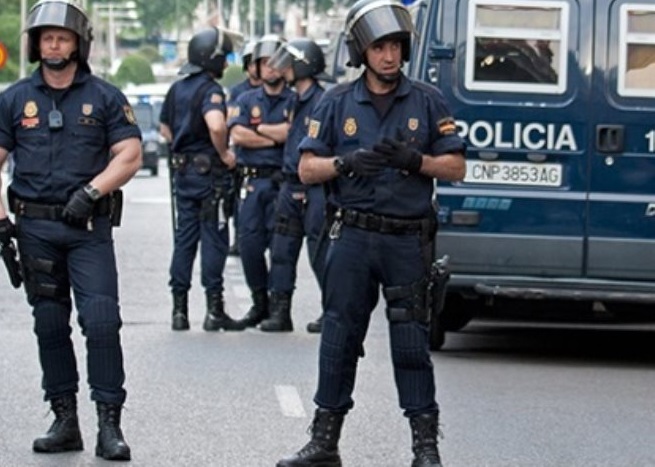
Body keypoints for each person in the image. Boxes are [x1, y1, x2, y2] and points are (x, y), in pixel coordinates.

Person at [275, 0, 466, 466]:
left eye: (396, 46)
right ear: (362, 51)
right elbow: (306, 168)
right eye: (380, 47)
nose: (389, 56)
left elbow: (456, 166)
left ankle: (425, 448)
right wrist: (345, 163)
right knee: (338, 339)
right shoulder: (336, 102)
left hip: (406, 240)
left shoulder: (427, 100)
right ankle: (324, 443)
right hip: (354, 237)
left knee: (411, 345)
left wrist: (416, 161)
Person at [0, 0, 142, 461]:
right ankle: (64, 420)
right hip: (35, 229)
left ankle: (109, 425)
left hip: (87, 228)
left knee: (101, 321)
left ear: (78, 44)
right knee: (49, 323)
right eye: (47, 38)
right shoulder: (14, 99)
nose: (54, 45)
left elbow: (130, 155)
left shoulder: (105, 97)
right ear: (36, 45)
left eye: (62, 38)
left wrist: (93, 191)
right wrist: (1, 222)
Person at [159, 26, 245, 332]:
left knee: (184, 240)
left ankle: (179, 311)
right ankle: (214, 310)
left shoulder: (176, 89)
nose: (226, 64)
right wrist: (223, 153)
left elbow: (165, 129)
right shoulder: (211, 90)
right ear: (212, 58)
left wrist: (182, 148)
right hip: (209, 177)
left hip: (184, 175)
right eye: (224, 58)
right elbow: (217, 125)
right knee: (213, 240)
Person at [259, 38, 333, 333]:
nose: (284, 69)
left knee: (320, 251)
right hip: (289, 184)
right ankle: (280, 312)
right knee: (282, 250)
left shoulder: (323, 101)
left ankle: (332, 311)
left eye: (290, 63)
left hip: (315, 188)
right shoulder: (294, 100)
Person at [227, 34, 296, 328]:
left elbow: (293, 133)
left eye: (274, 62)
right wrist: (275, 135)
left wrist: (260, 130)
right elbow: (238, 135)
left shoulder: (295, 99)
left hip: (282, 183)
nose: (270, 68)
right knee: (249, 245)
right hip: (252, 183)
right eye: (264, 62)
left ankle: (281, 309)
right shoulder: (245, 99)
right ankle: (260, 303)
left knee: (282, 249)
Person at [226, 40, 262, 257]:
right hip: (244, 158)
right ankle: (239, 238)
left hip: (272, 161)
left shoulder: (279, 91)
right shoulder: (238, 93)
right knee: (239, 202)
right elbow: (234, 128)